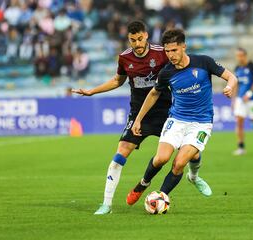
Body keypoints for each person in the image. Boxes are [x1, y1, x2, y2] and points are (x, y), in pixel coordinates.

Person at [71, 21, 204, 215]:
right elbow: (118, 80)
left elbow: (180, 67)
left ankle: (194, 176)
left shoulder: (161, 53)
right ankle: (106, 204)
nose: (137, 43)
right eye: (133, 40)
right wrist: (92, 91)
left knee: (191, 151)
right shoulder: (124, 58)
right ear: (129, 39)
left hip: (167, 112)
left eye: (140, 38)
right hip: (138, 114)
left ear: (146, 35)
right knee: (120, 155)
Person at [126, 29, 238, 205]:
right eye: (167, 51)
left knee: (179, 163)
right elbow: (154, 94)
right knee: (161, 158)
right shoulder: (166, 72)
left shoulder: (203, 62)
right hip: (177, 120)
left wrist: (230, 86)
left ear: (183, 47)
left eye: (174, 50)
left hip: (201, 123)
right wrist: (138, 119)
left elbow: (231, 77)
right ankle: (143, 184)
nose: (170, 55)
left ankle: (162, 196)